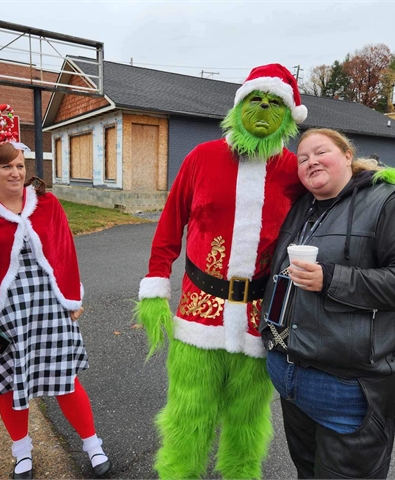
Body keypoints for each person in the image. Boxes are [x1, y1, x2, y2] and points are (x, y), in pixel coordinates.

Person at [136, 64, 308, 479]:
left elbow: (337, 186)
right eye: (256, 99)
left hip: (260, 316)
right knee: (188, 417)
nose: (263, 108)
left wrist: (380, 182)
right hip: (200, 311)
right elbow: (170, 222)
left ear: (287, 116)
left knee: (247, 423)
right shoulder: (202, 157)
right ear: (238, 106)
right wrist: (157, 284)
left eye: (273, 102)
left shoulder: (292, 170)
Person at [259, 128, 395, 479]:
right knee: (308, 471)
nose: (311, 161)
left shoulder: (391, 201)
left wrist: (331, 278)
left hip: (347, 386)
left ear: (348, 155)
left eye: (321, 152)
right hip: (290, 374)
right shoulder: (302, 207)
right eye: (302, 158)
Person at [0, 104, 111, 480]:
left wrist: (72, 296)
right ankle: (22, 454)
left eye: (20, 165)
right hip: (0, 314)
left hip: (49, 308)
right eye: (6, 166)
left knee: (66, 379)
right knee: (10, 386)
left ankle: (93, 445)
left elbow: (65, 250)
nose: (16, 172)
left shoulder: (46, 205)